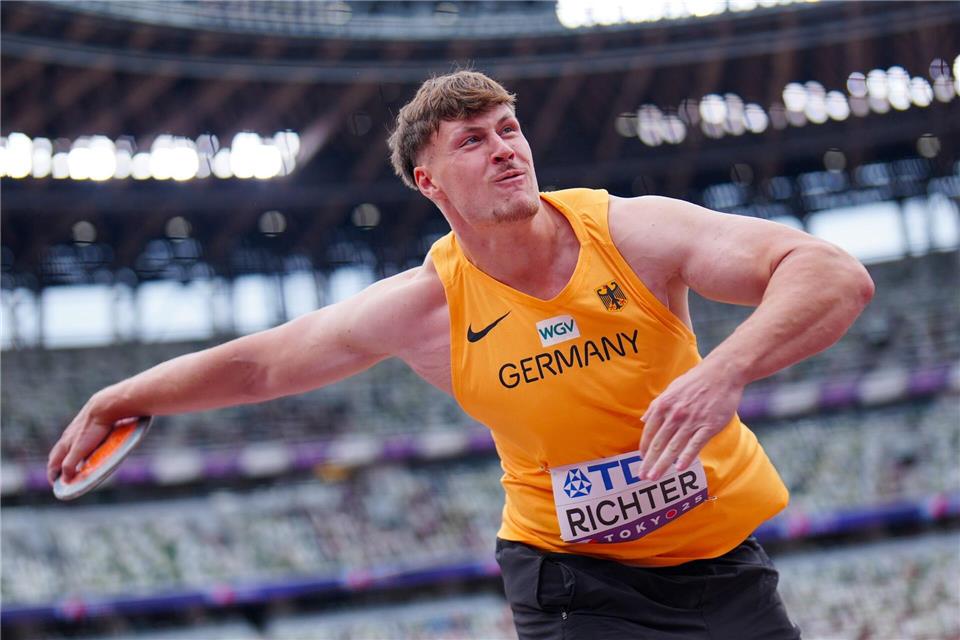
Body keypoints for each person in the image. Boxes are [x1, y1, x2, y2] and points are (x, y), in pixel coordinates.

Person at [47, 70, 874, 638]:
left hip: (724, 567)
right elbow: (265, 363)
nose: (505, 148)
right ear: (428, 181)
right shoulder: (425, 306)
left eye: (509, 130)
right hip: (576, 583)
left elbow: (832, 274)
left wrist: (723, 370)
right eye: (473, 140)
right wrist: (122, 395)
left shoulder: (633, 232)